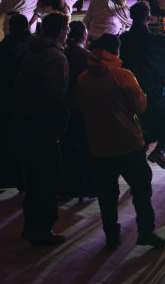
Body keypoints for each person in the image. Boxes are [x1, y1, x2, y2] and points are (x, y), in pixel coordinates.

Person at [77, 34, 165, 250]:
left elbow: (82, 108)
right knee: (141, 189)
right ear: (115, 52)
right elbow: (140, 107)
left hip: (99, 145)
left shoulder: (82, 78)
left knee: (107, 194)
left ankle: (111, 236)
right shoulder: (123, 75)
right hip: (128, 143)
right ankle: (146, 231)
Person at [14, 12, 71, 245]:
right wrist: (61, 120)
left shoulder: (32, 50)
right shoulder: (55, 57)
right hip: (43, 124)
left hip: (26, 121)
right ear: (60, 32)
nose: (67, 34)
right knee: (48, 178)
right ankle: (42, 229)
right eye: (66, 30)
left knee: (34, 178)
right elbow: (53, 94)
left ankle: (30, 226)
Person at [119, 0, 165, 171]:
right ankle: (159, 151)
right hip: (151, 94)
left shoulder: (123, 40)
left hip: (125, 92)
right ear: (149, 18)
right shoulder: (155, 41)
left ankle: (147, 153)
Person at [0, 13, 31, 192]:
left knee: (5, 144)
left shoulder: (1, 48)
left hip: (3, 102)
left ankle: (2, 179)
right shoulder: (30, 47)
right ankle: (23, 181)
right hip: (23, 102)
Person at [60, 21, 96, 202]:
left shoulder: (61, 54)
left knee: (67, 151)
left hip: (64, 108)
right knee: (85, 150)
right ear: (84, 35)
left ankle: (67, 188)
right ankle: (86, 189)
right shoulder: (88, 57)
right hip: (83, 109)